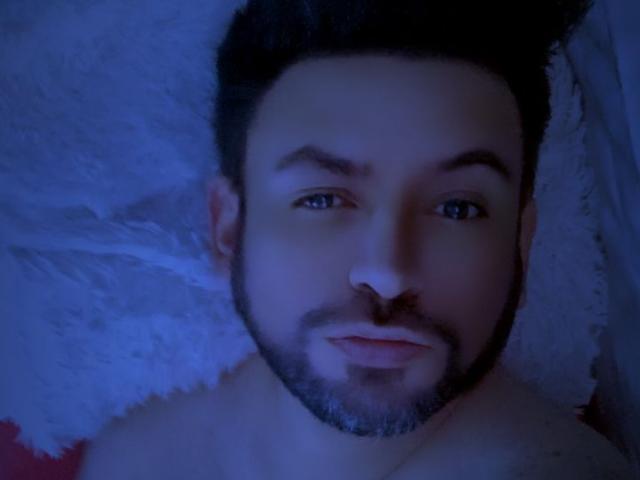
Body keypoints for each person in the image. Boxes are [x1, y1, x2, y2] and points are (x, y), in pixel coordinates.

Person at [78, 1, 635, 478]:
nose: (388, 273)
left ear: (521, 245)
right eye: (322, 199)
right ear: (229, 230)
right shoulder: (134, 459)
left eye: (458, 208)